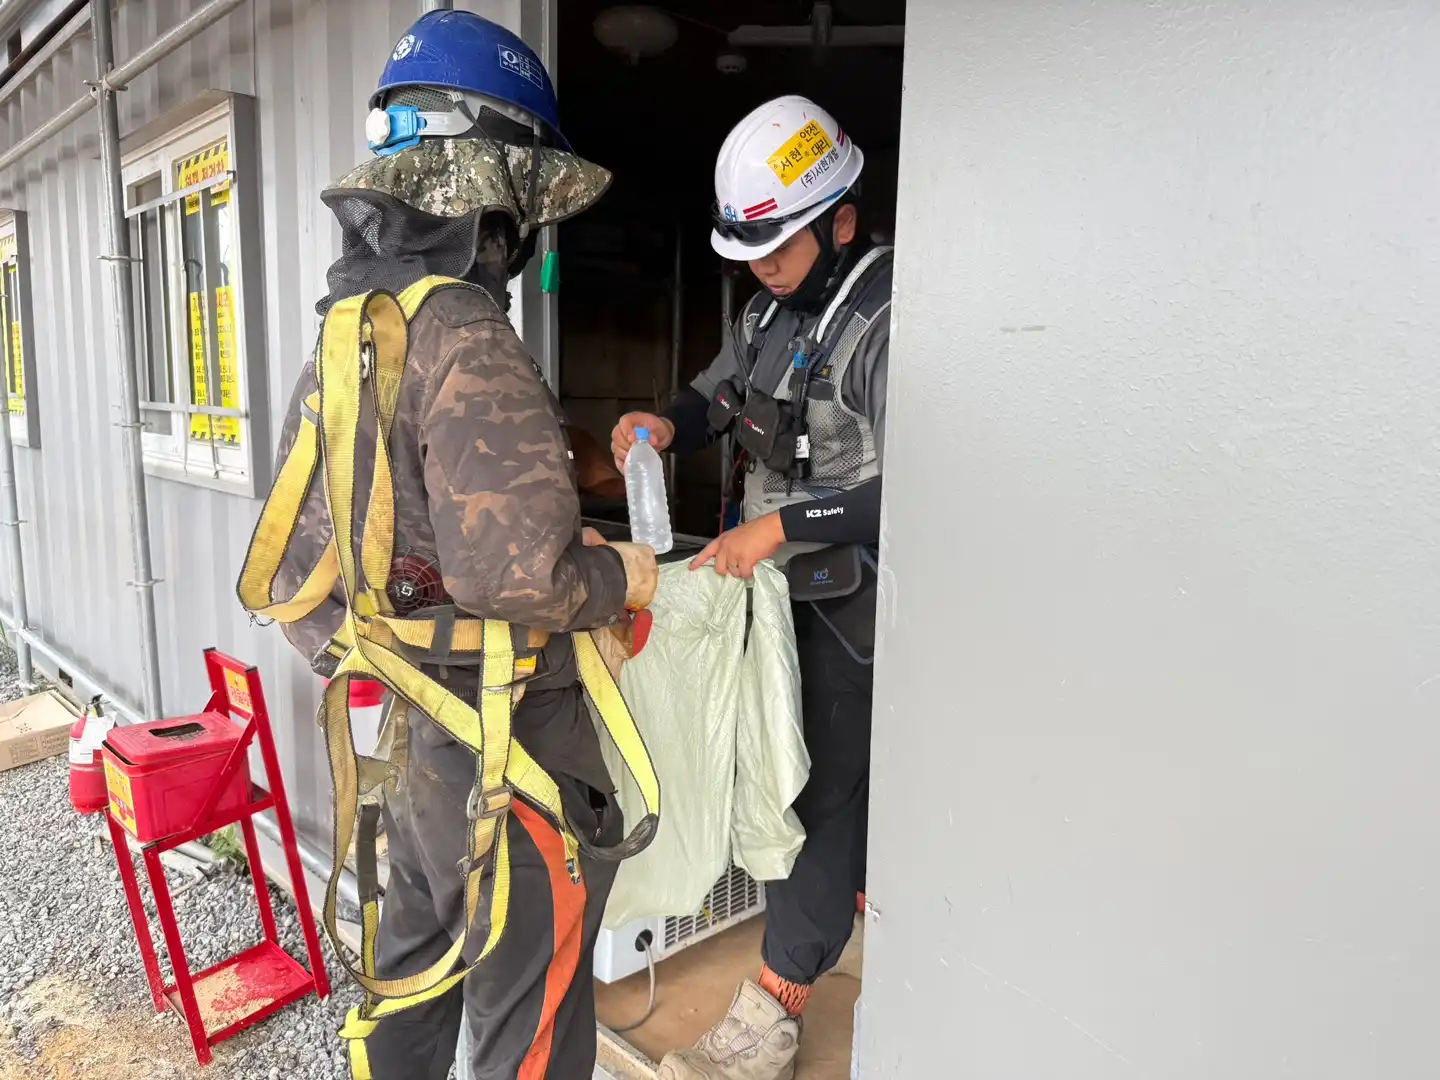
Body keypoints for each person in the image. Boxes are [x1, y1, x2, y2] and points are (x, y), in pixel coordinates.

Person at [237, 12, 659, 1079]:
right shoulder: (467, 333)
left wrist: (409, 637)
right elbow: (518, 576)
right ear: (495, 186)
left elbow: (299, 573)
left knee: (412, 980)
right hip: (513, 752)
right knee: (528, 1018)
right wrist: (617, 574)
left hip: (421, 746)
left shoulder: (356, 330)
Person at [612, 95, 892, 1080]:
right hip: (775, 596)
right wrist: (665, 426)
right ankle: (829, 918)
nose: (760, 267)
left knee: (814, 788)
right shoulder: (768, 313)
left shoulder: (890, 322)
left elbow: (920, 483)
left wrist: (779, 525)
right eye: (749, 251)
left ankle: (777, 1004)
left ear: (841, 221)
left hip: (854, 603)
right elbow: (713, 398)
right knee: (773, 768)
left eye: (776, 247)